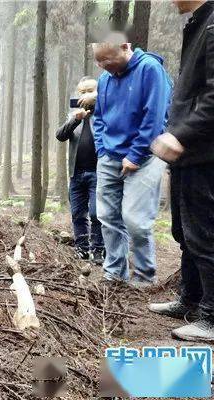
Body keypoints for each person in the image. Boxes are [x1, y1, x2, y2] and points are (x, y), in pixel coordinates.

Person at [148, 0, 214, 341]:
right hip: (187, 155)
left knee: (205, 234)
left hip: (203, 152)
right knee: (186, 232)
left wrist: (180, 134)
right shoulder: (197, 23)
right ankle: (190, 298)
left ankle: (211, 316)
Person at [92, 33, 171, 287]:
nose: (104, 66)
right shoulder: (105, 79)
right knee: (107, 217)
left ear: (125, 47)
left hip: (145, 157)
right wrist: (102, 149)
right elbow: (100, 117)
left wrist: (135, 155)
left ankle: (145, 277)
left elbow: (155, 118)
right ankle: (114, 272)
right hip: (110, 157)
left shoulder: (150, 69)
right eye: (99, 61)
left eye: (108, 59)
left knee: (136, 220)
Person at [55, 77, 104, 263]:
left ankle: (98, 249)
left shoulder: (102, 114)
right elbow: (60, 135)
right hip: (76, 174)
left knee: (96, 213)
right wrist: (75, 119)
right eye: (81, 92)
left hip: (97, 173)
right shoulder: (74, 116)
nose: (84, 96)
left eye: (89, 91)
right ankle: (82, 249)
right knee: (78, 213)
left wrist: (96, 104)